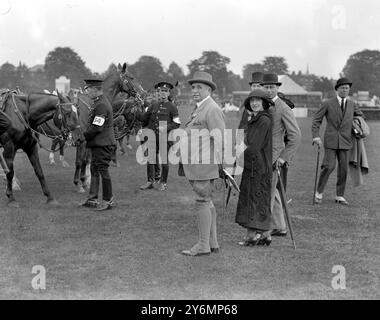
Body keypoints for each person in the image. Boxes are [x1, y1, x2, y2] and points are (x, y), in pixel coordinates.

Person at [179, 71, 225, 256]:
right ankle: (212, 243)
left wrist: (222, 169)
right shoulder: (200, 107)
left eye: (200, 87)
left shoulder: (211, 108)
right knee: (207, 202)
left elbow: (220, 140)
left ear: (209, 90)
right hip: (196, 165)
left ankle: (203, 244)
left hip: (204, 166)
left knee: (202, 202)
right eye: (193, 87)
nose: (195, 90)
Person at [312, 77, 363, 206]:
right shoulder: (327, 103)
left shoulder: (352, 104)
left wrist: (357, 124)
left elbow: (360, 116)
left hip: (346, 141)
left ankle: (339, 196)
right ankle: (318, 192)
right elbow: (316, 120)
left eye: (347, 88)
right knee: (328, 167)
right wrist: (316, 136)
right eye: (342, 88)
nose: (345, 90)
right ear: (337, 90)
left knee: (344, 170)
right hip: (331, 140)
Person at [261, 73, 301, 237]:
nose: (269, 90)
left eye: (272, 87)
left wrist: (283, 157)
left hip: (274, 156)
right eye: (266, 87)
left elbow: (296, 136)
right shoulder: (261, 105)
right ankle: (280, 226)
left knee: (266, 194)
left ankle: (263, 231)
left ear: (277, 88)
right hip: (261, 154)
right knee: (273, 191)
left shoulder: (283, 108)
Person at [235, 89, 274, 246]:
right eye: (252, 101)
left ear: (264, 103)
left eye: (258, 100)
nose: (255, 103)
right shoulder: (258, 119)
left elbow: (254, 146)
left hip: (257, 166)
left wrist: (239, 152)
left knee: (253, 199)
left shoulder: (263, 120)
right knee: (258, 199)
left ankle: (252, 237)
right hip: (256, 165)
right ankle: (265, 235)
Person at [79, 79, 116, 211]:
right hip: (98, 143)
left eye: (88, 89)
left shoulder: (101, 105)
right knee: (94, 170)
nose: (87, 92)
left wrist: (83, 136)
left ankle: (108, 200)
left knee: (102, 171)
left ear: (95, 89)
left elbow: (97, 127)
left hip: (103, 144)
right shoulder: (98, 102)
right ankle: (93, 199)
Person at [137, 81, 181, 191]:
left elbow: (177, 123)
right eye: (162, 91)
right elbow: (144, 119)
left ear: (168, 93)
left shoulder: (172, 107)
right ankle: (150, 181)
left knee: (164, 162)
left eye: (166, 91)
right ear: (159, 92)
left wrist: (166, 128)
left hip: (165, 138)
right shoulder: (153, 106)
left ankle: (163, 182)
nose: (163, 93)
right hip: (152, 136)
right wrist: (137, 111)